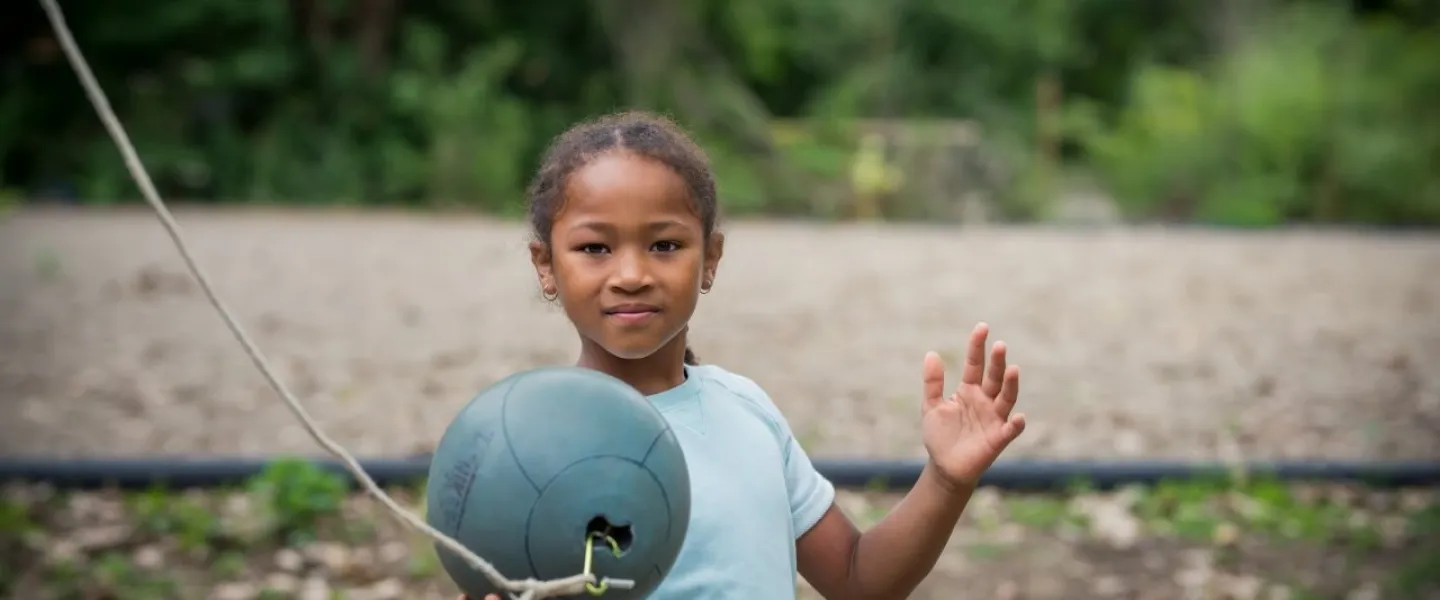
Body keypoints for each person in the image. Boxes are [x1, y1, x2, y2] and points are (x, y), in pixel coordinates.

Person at [463, 110, 1027, 600]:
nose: (631, 275)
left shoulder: (746, 408)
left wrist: (946, 481)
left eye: (664, 245)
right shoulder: (532, 450)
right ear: (546, 266)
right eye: (595, 248)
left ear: (711, 258)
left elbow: (860, 581)